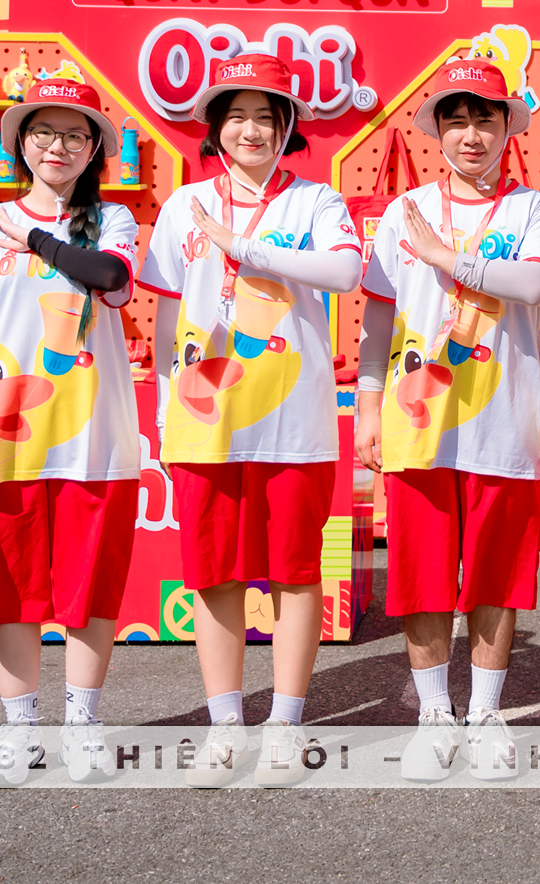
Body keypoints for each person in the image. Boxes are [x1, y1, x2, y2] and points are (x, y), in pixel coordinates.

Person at [137, 53, 362, 788]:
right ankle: (227, 727)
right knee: (214, 577)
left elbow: (344, 272)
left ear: (289, 127)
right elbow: (167, 312)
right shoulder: (183, 206)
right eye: (237, 117)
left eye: (267, 117)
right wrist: (167, 401)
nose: (252, 130)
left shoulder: (316, 202)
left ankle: (286, 725)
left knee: (297, 574)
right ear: (215, 128)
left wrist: (242, 247)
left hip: (295, 421)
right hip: (205, 419)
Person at [357, 58, 540, 784]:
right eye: (457, 120)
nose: (471, 134)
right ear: (438, 131)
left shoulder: (535, 210)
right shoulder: (402, 212)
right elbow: (377, 321)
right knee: (420, 581)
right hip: (417, 424)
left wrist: (445, 257)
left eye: (485, 118)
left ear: (508, 127)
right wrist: (367, 407)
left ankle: (484, 715)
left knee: (495, 581)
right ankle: (434, 716)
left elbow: (535, 284)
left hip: (503, 425)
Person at [0, 78, 140, 789]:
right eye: (44, 132)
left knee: (91, 582)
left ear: (94, 151)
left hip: (94, 434)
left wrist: (39, 237)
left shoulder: (112, 220)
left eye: (75, 135)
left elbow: (107, 276)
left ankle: (83, 725)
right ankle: (20, 730)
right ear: (21, 142)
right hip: (0, 430)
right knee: (8, 583)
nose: (58, 146)